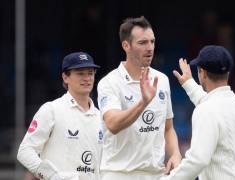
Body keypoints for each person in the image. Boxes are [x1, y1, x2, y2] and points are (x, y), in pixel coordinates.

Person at [97, 16, 181, 180]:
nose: (150, 48)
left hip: (156, 174)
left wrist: (176, 154)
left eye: (152, 41)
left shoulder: (161, 80)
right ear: (126, 45)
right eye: (142, 43)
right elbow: (113, 124)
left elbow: (168, 128)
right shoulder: (109, 82)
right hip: (118, 174)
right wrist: (143, 103)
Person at [161, 45, 235, 180]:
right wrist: (189, 83)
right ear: (227, 73)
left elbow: (197, 161)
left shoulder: (206, 110)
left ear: (202, 73)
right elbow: (215, 105)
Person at [17, 52, 103, 180]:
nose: (87, 78)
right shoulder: (51, 110)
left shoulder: (101, 117)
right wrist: (52, 176)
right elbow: (25, 151)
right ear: (65, 77)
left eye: (90, 73)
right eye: (80, 73)